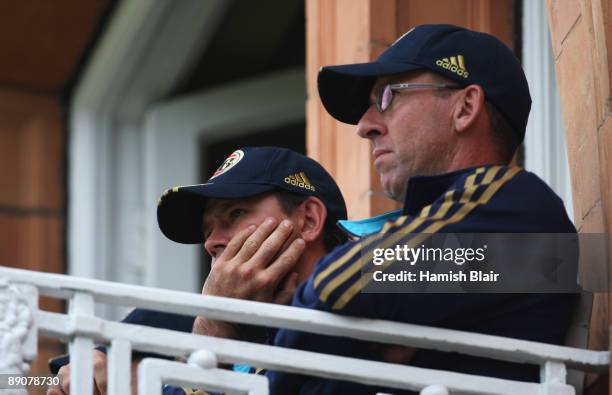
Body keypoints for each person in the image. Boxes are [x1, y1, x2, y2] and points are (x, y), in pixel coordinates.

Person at [266, 24, 579, 394]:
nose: (365, 126)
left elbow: (337, 284)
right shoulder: (461, 221)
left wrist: (341, 325)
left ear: (464, 108)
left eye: (388, 96)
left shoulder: (516, 206)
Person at [47, 146, 348, 395]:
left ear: (308, 220)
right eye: (207, 231)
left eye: (236, 213)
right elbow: (50, 378)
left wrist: (215, 325)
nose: (212, 242)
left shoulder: (378, 278)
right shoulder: (174, 319)